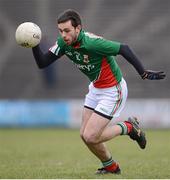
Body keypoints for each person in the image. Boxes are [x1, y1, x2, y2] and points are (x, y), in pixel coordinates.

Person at [32, 9, 166, 174]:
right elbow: (43, 62)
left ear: (78, 29)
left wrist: (143, 73)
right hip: (96, 88)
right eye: (60, 31)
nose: (63, 35)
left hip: (113, 90)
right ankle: (111, 167)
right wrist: (34, 44)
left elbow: (124, 48)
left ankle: (129, 127)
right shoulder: (63, 44)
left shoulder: (91, 43)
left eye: (67, 30)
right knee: (84, 135)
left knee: (91, 136)